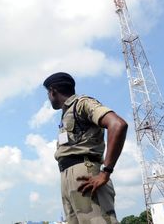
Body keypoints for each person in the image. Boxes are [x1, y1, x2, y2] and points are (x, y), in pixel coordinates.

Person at [43, 72, 128, 224]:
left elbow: (117, 124)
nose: (48, 97)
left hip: (85, 171)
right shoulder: (66, 112)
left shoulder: (82, 103)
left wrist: (106, 172)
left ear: (53, 90)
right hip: (67, 175)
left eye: (47, 93)